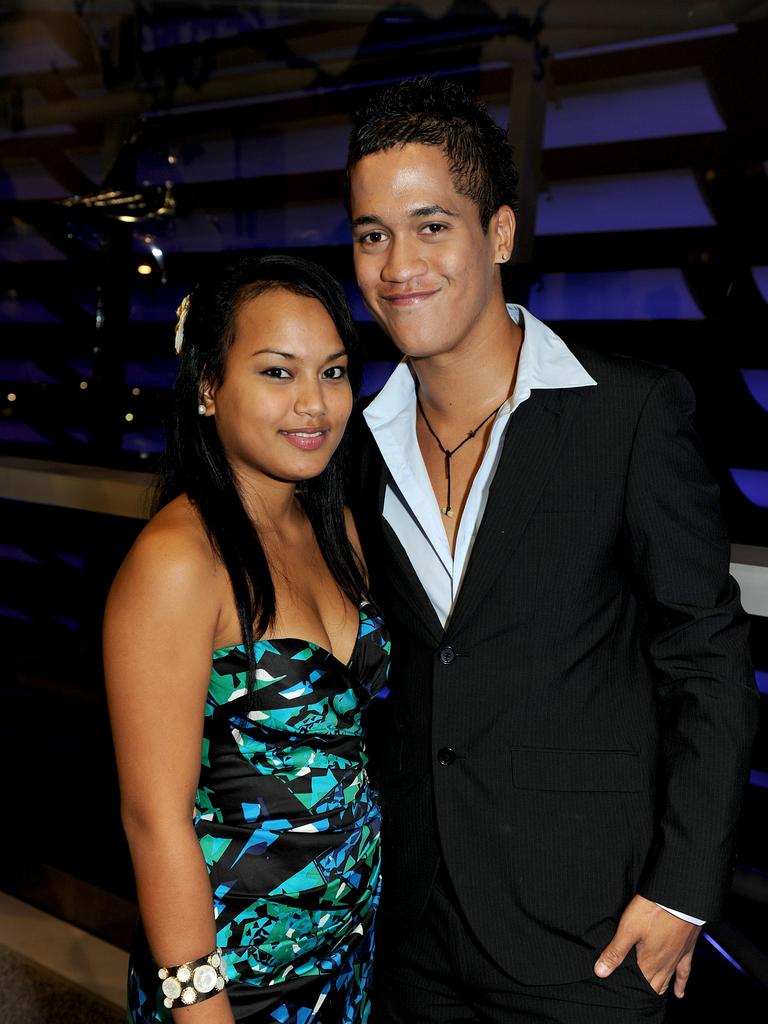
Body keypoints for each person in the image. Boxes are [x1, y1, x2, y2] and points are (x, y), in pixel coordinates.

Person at [344, 77, 758, 1023]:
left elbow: (709, 660)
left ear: (498, 235)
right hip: (412, 926)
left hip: (593, 931)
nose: (398, 265)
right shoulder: (355, 448)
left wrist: (682, 892)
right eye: (372, 234)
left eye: (430, 225)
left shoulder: (630, 415)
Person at [104, 254, 389, 1024]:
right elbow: (154, 820)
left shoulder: (334, 528)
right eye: (277, 372)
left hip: (347, 956)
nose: (314, 405)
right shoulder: (178, 563)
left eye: (333, 373)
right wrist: (199, 1007)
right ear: (206, 386)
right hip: (236, 979)